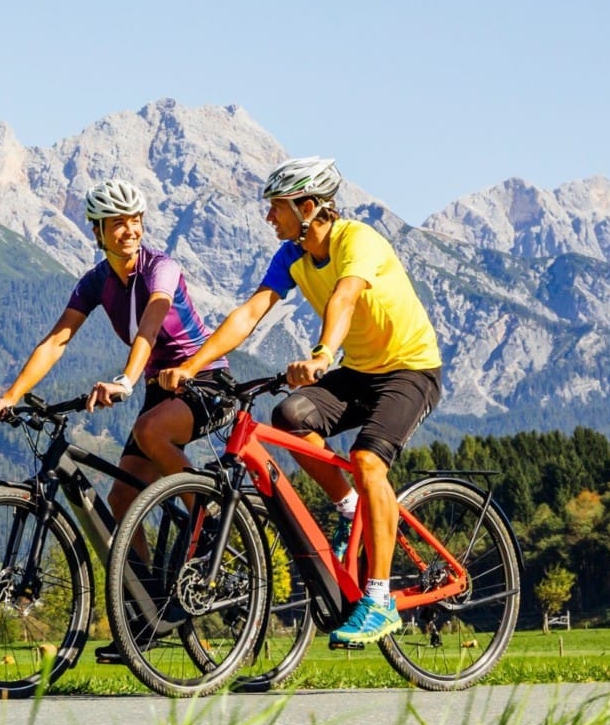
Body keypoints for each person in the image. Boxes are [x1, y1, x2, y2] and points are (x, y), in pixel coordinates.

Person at [156, 157, 443, 648]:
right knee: (289, 415)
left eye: (277, 208)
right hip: (360, 371)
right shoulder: (291, 255)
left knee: (368, 459)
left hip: (410, 369)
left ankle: (378, 599)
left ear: (308, 207)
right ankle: (351, 507)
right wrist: (193, 365)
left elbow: (345, 297)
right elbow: (250, 312)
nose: (270, 218)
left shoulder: (358, 241)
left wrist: (322, 354)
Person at [0, 178, 232, 662]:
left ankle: (209, 516)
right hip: (158, 390)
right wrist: (13, 394)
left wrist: (124, 378)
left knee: (149, 431)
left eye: (135, 220)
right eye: (117, 223)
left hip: (203, 383)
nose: (129, 230)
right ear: (98, 231)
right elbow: (58, 339)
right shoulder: (97, 281)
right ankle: (146, 614)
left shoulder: (161, 268)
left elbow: (152, 322)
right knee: (122, 501)